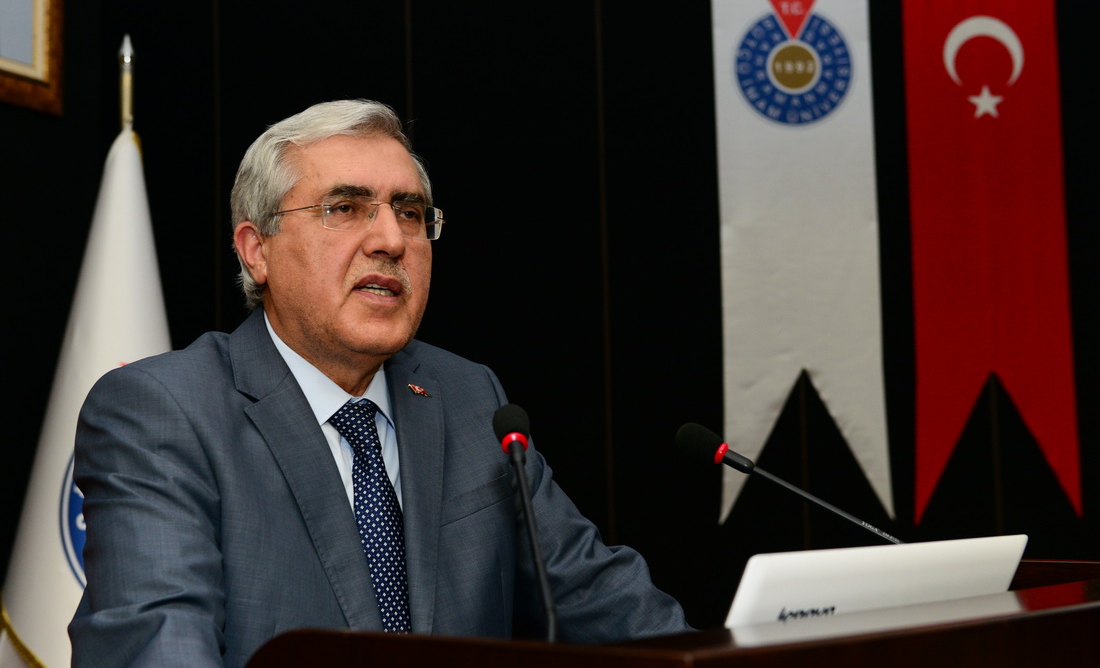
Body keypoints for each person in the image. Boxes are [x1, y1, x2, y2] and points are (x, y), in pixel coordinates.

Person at [69, 99, 689, 667]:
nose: (392, 240)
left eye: (410, 213)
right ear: (257, 250)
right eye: (344, 209)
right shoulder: (164, 411)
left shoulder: (470, 398)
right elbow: (160, 647)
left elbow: (601, 600)